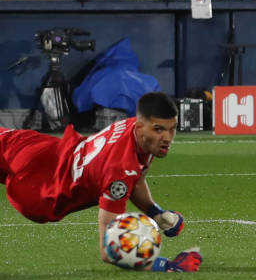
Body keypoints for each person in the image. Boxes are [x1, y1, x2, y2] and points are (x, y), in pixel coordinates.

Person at [0, 92, 201, 271]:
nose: (167, 137)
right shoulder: (120, 171)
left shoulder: (138, 131)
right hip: (42, 189)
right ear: (141, 127)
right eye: (159, 129)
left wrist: (155, 212)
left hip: (46, 152)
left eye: (172, 129)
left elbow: (136, 178)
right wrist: (166, 266)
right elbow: (109, 249)